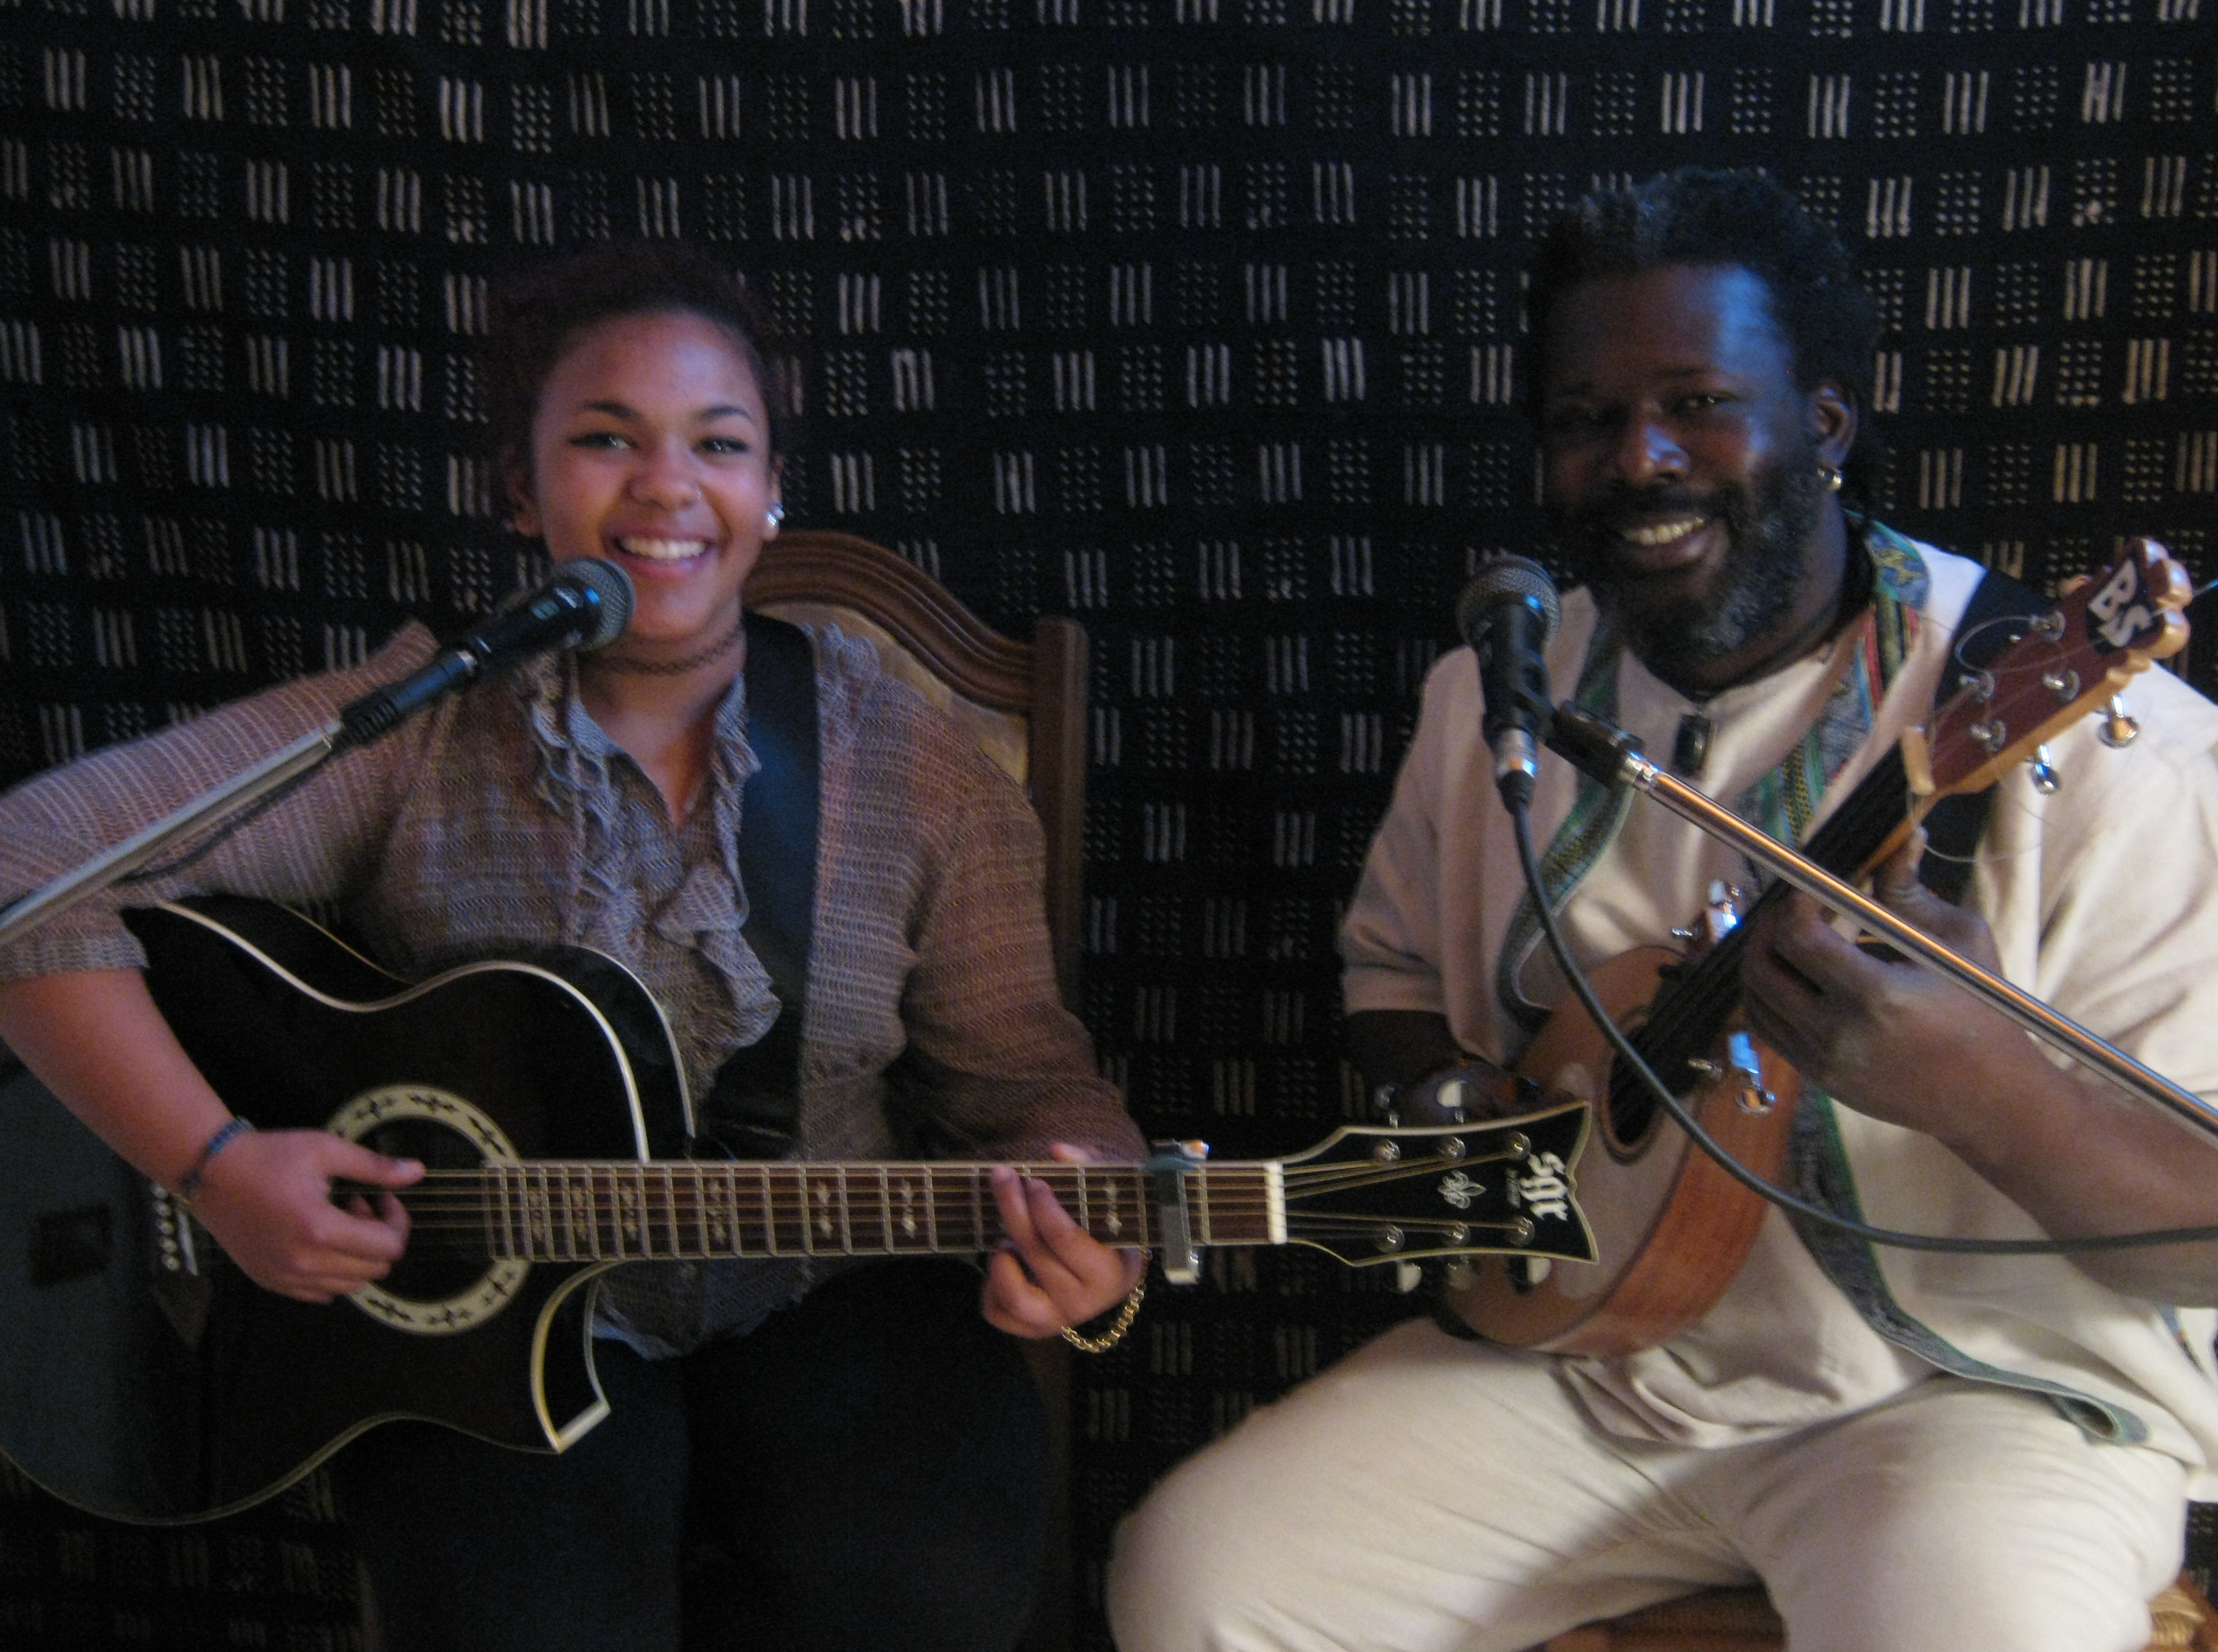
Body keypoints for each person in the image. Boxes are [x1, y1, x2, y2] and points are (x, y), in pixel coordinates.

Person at [1108, 168, 2218, 1652]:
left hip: (1977, 1397)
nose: (1639, 457)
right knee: (1199, 1581)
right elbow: (1390, 977)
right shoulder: (1498, 693)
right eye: (1586, 418)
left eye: (1699, 404)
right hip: (1586, 1366)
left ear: (1826, 425)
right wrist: (1455, 1108)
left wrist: (1990, 1088)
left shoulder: (2097, 745)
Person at [0, 240, 1145, 1652]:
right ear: (520, 486)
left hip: (831, 1290)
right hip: (489, 1318)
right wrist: (214, 1164)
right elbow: (23, 869)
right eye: (606, 439)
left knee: (914, 1583)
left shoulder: (919, 768)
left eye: (718, 444)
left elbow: (1035, 1092)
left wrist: (1095, 1239)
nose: (666, 486)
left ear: (770, 490)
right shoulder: (414, 733)